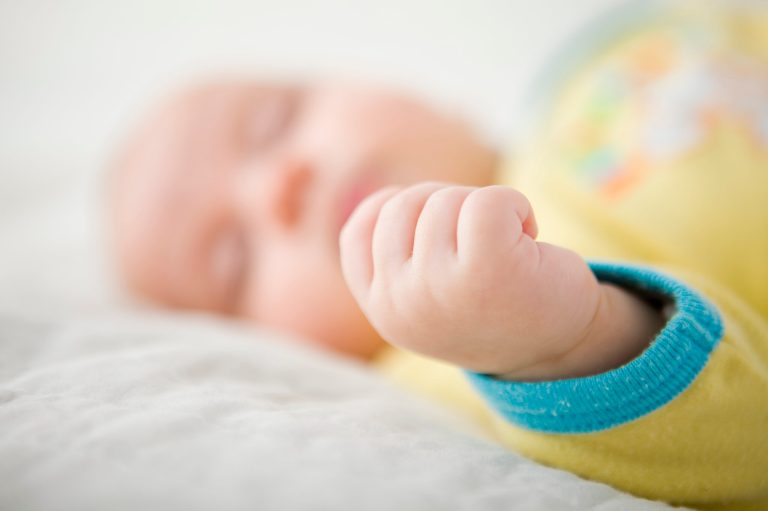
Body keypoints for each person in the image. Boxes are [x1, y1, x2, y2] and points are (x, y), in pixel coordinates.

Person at [110, 3, 768, 510]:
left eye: (273, 121)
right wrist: (561, 342)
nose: (282, 184)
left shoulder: (587, 76)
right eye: (235, 258)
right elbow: (744, 441)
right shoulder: (458, 352)